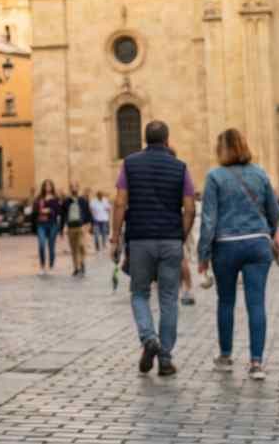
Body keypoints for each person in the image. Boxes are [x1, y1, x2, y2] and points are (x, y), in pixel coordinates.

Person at [197, 128, 279, 382]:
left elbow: (209, 220)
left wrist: (203, 253)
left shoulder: (214, 176)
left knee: (226, 301)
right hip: (258, 243)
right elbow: (274, 210)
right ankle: (256, 362)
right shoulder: (260, 173)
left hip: (226, 245)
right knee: (256, 303)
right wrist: (268, 232)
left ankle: (225, 355)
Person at [109, 120, 193, 377]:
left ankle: (149, 339)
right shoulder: (180, 168)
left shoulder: (130, 164)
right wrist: (181, 235)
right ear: (167, 141)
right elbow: (189, 208)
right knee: (169, 299)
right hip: (170, 239)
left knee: (139, 293)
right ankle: (165, 359)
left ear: (145, 140)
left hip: (140, 239)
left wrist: (115, 237)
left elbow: (120, 202)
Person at [31, 180, 63, 275]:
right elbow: (34, 210)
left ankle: (51, 266)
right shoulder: (39, 198)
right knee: (41, 245)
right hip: (41, 224)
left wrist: (50, 210)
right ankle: (42, 266)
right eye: (46, 185)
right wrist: (40, 210)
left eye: (49, 185)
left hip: (53, 224)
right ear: (43, 187)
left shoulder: (56, 198)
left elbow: (59, 212)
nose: (47, 187)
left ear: (52, 187)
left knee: (51, 246)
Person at [63, 182, 93, 277]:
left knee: (81, 246)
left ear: (78, 188)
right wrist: (62, 228)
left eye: (75, 186)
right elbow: (63, 214)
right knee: (73, 249)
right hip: (71, 227)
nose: (74, 188)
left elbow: (88, 213)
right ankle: (76, 268)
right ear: (70, 189)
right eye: (72, 187)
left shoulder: (83, 200)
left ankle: (82, 262)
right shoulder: (66, 201)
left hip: (81, 227)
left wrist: (89, 226)